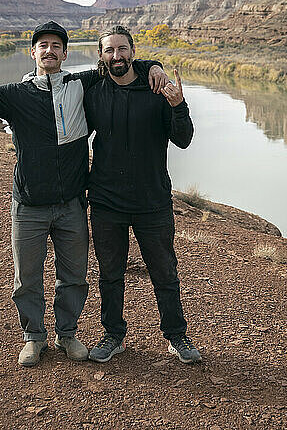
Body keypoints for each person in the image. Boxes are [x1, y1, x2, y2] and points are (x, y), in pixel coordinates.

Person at [0, 20, 167, 367]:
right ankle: (33, 338)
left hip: (71, 205)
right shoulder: (14, 95)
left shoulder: (82, 83)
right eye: (42, 45)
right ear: (33, 52)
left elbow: (119, 63)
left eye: (56, 45)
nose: (49, 50)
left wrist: (152, 66)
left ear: (65, 53)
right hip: (29, 205)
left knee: (74, 277)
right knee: (27, 278)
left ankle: (67, 335)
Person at [84, 25, 202, 364]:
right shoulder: (93, 89)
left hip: (153, 201)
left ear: (133, 52)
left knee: (164, 271)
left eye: (123, 49)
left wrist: (179, 105)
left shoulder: (157, 88)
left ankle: (177, 336)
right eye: (110, 50)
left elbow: (183, 139)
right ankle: (113, 335)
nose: (117, 56)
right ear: (101, 55)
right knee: (110, 273)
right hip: (106, 201)